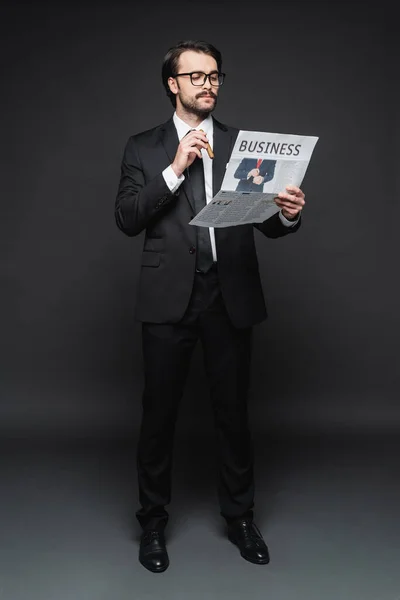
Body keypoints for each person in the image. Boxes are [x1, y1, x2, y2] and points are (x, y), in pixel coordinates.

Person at [115, 40, 305, 573]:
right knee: (158, 417)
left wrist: (286, 212)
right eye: (195, 76)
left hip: (230, 294)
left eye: (215, 75)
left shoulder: (245, 143)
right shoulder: (143, 147)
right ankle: (152, 523)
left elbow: (265, 221)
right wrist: (175, 169)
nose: (208, 84)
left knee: (234, 414)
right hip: (167, 296)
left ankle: (241, 519)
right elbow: (128, 217)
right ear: (172, 85)